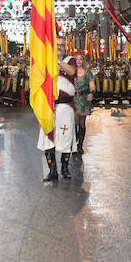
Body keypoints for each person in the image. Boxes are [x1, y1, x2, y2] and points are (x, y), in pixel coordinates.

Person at [39, 38, 79, 182]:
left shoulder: (70, 60)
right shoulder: (46, 60)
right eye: (57, 45)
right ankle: (52, 170)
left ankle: (65, 168)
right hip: (49, 106)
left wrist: (57, 61)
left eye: (62, 45)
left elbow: (72, 72)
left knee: (66, 137)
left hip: (66, 106)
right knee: (48, 138)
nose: (60, 47)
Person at [73, 52, 96, 155]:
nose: (78, 61)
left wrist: (91, 92)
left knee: (82, 122)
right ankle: (74, 142)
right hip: (73, 99)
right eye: (76, 59)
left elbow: (92, 84)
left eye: (80, 59)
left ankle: (80, 145)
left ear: (83, 61)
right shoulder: (71, 72)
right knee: (74, 122)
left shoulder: (88, 72)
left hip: (84, 100)